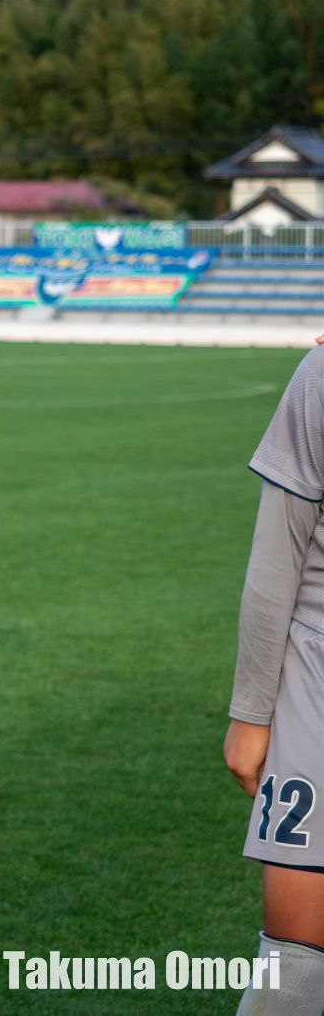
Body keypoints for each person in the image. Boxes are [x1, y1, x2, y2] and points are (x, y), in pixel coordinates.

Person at [224, 344, 324, 1016]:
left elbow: (276, 553)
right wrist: (253, 713)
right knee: (293, 972)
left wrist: (252, 715)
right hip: (314, 699)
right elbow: (278, 555)